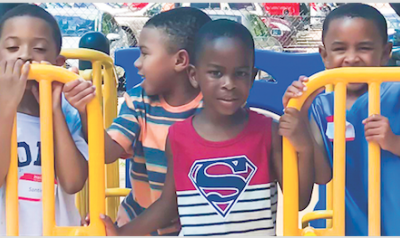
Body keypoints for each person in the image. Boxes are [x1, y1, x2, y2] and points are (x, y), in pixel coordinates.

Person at [97, 19, 316, 236]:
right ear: (194, 75)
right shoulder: (178, 137)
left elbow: (298, 201)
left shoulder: (269, 131)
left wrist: (304, 148)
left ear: (252, 77)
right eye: (216, 73)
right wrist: (120, 233)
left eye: (240, 73)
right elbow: (167, 205)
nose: (228, 83)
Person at [64, 7, 212, 235]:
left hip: (193, 224)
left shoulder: (212, 109)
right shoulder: (138, 100)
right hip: (137, 222)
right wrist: (86, 111)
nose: (137, 63)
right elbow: (107, 153)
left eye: (145, 53)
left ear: (180, 60)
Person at [283, 3, 400, 235]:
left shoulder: (396, 92)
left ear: (386, 53)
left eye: (364, 48)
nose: (351, 58)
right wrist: (301, 118)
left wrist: (393, 142)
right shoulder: (319, 102)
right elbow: (322, 175)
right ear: (324, 55)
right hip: (342, 225)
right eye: (340, 49)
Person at [0, 4, 90, 236]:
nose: (25, 55)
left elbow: (73, 182)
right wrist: (7, 106)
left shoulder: (67, 114)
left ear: (58, 63)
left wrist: (53, 111)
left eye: (39, 48)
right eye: (12, 47)